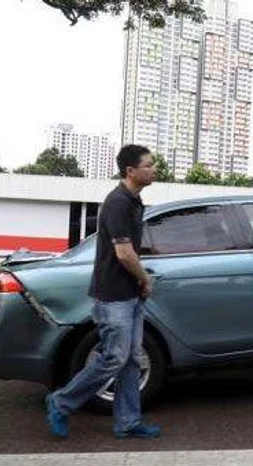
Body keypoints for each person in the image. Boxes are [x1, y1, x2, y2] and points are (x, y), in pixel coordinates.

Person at [45, 144, 161, 440]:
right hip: (114, 296)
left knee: (131, 359)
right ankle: (61, 402)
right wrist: (145, 278)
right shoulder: (118, 202)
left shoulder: (134, 201)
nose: (154, 169)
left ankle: (128, 422)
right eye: (148, 165)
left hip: (130, 294)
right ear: (130, 171)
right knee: (114, 358)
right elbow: (124, 253)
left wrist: (138, 283)